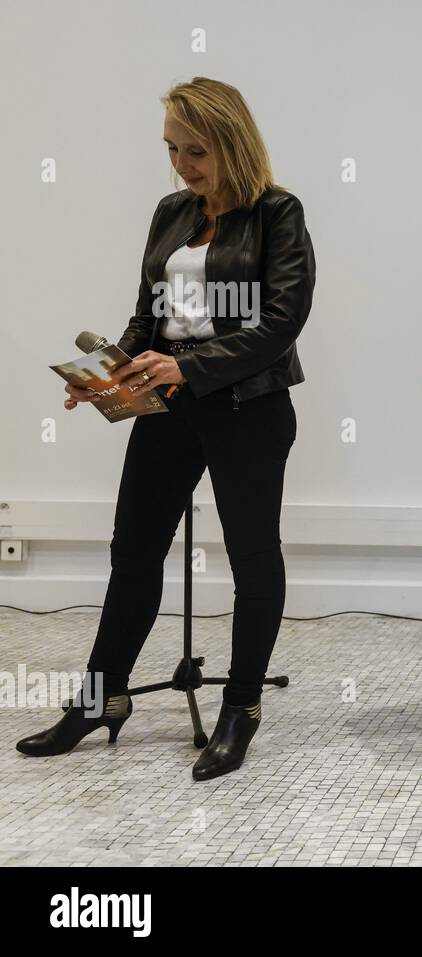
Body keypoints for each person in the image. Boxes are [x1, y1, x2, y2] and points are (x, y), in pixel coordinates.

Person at [16, 77, 315, 781]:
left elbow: (281, 322)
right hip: (167, 403)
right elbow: (147, 317)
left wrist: (189, 365)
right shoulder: (171, 212)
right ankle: (100, 700)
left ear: (232, 142)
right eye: (172, 150)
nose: (182, 165)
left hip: (248, 405)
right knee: (133, 551)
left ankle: (240, 709)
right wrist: (107, 374)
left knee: (252, 557)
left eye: (196, 151)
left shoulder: (277, 212)